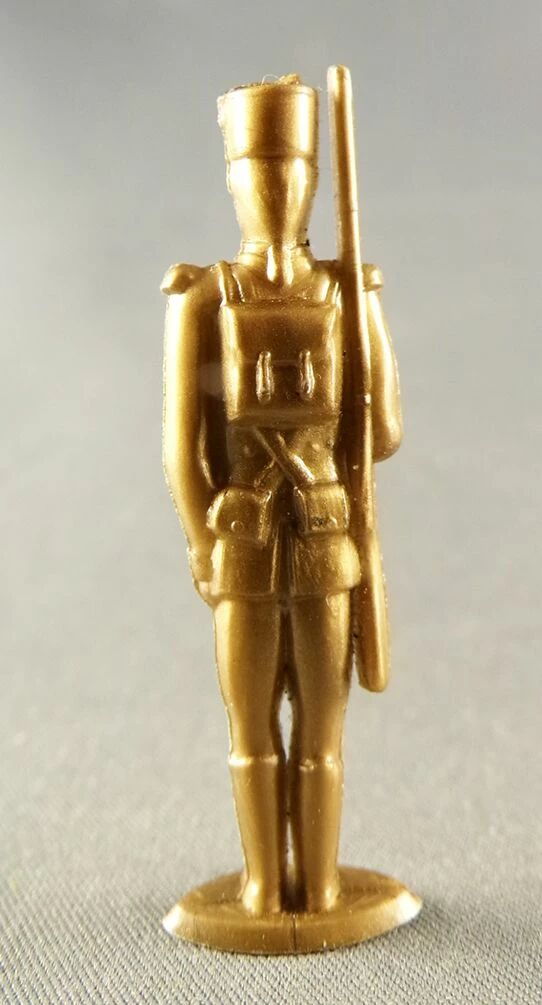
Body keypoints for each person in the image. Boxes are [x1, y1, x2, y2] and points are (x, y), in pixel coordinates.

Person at [162, 74, 402, 918]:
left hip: (328, 539)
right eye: (255, 171)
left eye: (289, 171)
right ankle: (265, 885)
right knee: (252, 728)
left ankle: (322, 883)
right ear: (231, 179)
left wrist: (368, 314)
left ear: (310, 182)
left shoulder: (342, 291)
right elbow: (182, 446)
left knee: (323, 733)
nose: (272, 188)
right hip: (242, 542)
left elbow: (383, 431)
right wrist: (203, 543)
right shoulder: (203, 296)